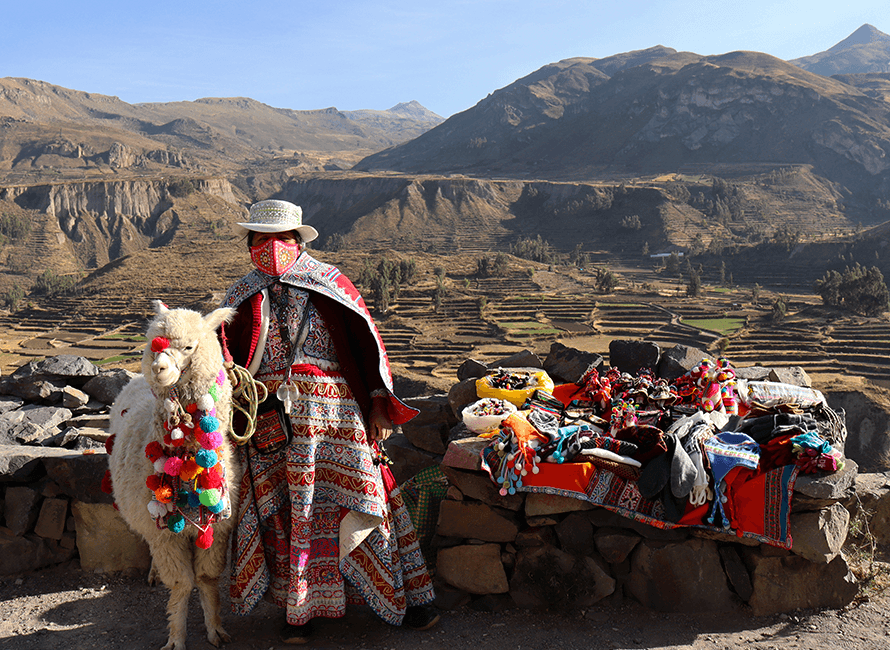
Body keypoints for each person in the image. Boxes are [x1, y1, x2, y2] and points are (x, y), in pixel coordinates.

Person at [219, 199, 438, 644]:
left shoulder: (329, 284)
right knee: (285, 512)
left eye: (282, 238)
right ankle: (297, 613)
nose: (272, 247)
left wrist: (378, 404)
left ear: (299, 240)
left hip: (336, 417)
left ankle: (405, 600)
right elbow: (224, 359)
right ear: (249, 244)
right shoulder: (241, 294)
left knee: (365, 498)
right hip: (270, 422)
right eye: (261, 239)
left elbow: (367, 347)